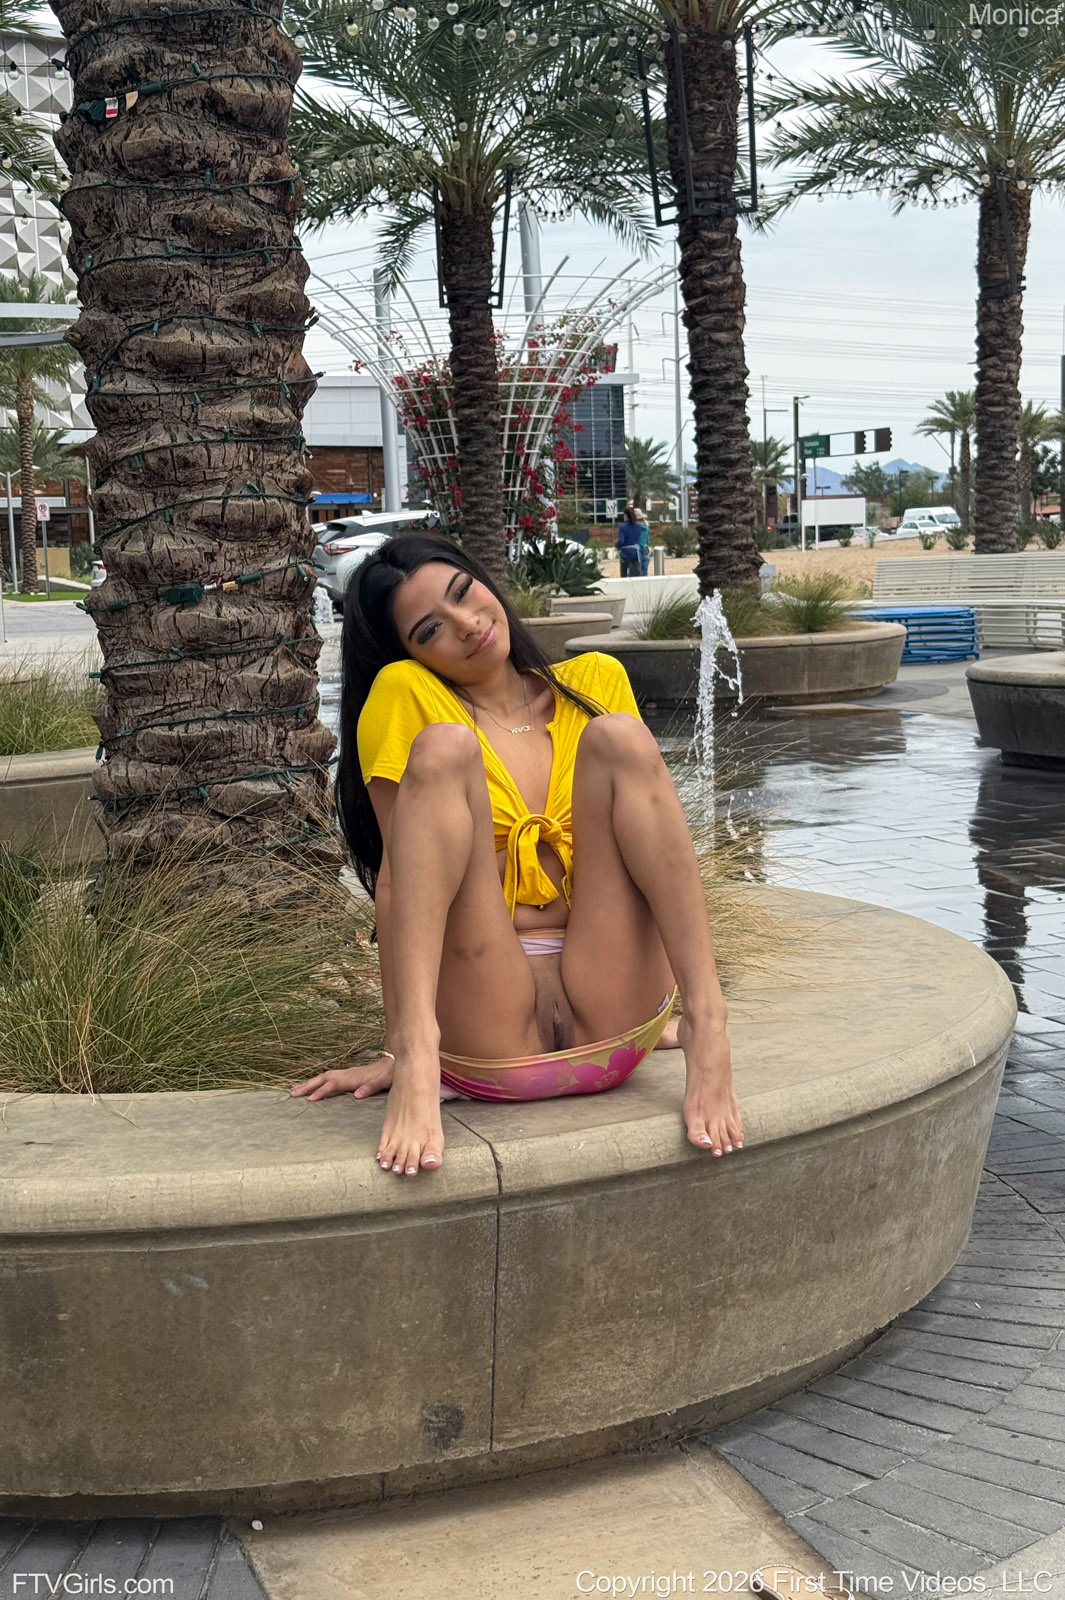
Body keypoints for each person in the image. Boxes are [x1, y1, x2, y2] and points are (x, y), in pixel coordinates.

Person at [290, 533, 742, 1178]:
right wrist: (401, 1053)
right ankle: (421, 1054)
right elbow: (400, 882)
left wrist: (682, 1010)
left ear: (484, 579)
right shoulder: (407, 693)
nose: (467, 624)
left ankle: (706, 1023)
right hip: (488, 1029)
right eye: (430, 630)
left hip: (616, 1015)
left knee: (618, 735)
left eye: (463, 593)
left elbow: (656, 852)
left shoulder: (594, 680)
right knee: (445, 748)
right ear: (408, 653)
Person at [616, 505, 649, 578]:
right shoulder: (639, 526)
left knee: (624, 573)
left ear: (625, 515)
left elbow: (621, 541)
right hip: (636, 552)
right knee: (638, 573)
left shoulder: (622, 526)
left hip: (625, 552)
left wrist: (617, 545)